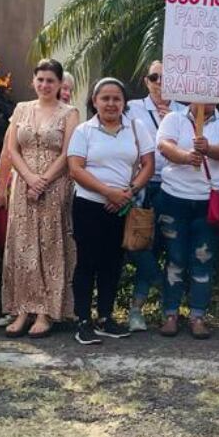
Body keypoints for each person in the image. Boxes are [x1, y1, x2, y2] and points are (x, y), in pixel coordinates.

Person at [66, 77, 154, 344]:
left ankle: (105, 317)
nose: (111, 103)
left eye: (117, 98)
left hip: (122, 206)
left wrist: (128, 192)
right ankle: (83, 321)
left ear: (124, 102)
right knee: (87, 264)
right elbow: (75, 169)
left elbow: (148, 164)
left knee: (113, 264)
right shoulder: (84, 131)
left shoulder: (136, 128)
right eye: (105, 98)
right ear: (95, 102)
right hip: (89, 206)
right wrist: (108, 192)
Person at [1, 59, 80, 339]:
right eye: (41, 79)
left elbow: (68, 153)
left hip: (55, 185)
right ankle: (22, 308)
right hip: (23, 186)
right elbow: (12, 148)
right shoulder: (21, 109)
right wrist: (29, 179)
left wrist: (43, 180)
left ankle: (46, 311)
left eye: (51, 80)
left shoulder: (69, 113)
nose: (45, 85)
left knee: (49, 246)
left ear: (60, 84)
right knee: (21, 246)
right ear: (33, 81)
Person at [155, 100, 219, 339]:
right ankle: (170, 314)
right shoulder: (173, 119)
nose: (205, 100)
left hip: (208, 203)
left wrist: (208, 148)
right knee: (175, 258)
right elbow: (164, 145)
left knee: (203, 258)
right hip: (174, 199)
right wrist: (185, 156)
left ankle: (197, 316)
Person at [125, 60, 188, 331]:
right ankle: (139, 307)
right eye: (154, 77)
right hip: (144, 187)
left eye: (166, 77)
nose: (160, 82)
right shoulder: (133, 109)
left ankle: (168, 311)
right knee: (141, 247)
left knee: (174, 250)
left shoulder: (186, 113)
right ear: (146, 81)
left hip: (175, 187)